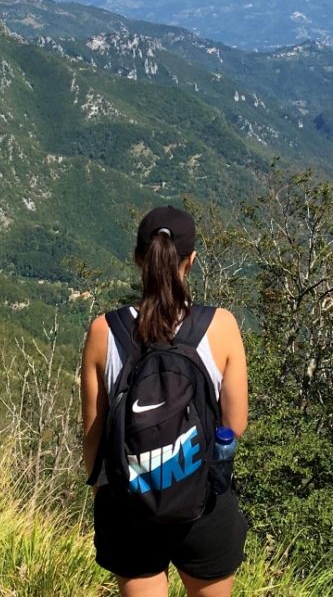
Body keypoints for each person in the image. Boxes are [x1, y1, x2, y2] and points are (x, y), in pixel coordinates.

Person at [81, 205, 250, 597]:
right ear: (190, 261)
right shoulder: (221, 326)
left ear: (139, 258)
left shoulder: (103, 331)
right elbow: (235, 424)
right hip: (202, 502)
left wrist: (102, 492)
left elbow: (94, 432)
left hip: (129, 506)